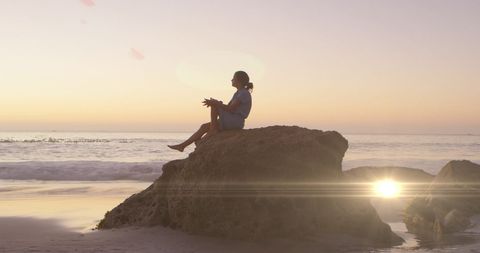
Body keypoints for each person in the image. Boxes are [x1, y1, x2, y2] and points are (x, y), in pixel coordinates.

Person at [167, 71, 253, 152]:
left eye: (233, 78)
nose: (231, 80)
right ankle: (182, 146)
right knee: (204, 126)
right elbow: (229, 108)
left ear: (239, 80)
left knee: (214, 105)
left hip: (235, 120)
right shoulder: (239, 92)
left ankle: (213, 129)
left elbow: (230, 109)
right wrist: (217, 103)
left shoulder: (244, 93)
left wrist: (216, 103)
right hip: (231, 118)